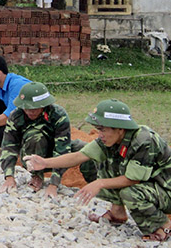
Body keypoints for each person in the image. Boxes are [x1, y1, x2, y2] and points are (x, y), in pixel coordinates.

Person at [25, 99, 171, 242]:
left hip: (166, 192)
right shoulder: (110, 140)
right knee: (103, 163)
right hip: (151, 188)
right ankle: (117, 213)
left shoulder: (143, 141)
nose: (98, 134)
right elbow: (79, 156)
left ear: (120, 128)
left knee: (130, 193)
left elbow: (133, 179)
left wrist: (99, 183)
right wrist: (45, 162)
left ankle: (163, 225)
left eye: (103, 129)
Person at [0, 81, 96, 198]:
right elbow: (9, 147)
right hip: (31, 154)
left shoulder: (58, 114)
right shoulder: (16, 116)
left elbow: (62, 148)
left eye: (35, 108)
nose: (30, 111)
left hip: (55, 151)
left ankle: (95, 185)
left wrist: (54, 184)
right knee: (36, 136)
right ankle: (36, 175)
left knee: (85, 149)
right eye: (26, 108)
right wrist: (9, 177)